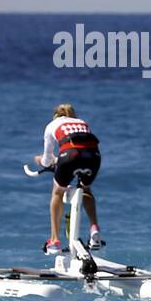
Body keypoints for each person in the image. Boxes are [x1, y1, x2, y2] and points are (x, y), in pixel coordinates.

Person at [34, 103, 103, 254]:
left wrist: (39, 160)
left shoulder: (52, 125)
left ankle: (54, 241)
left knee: (57, 192)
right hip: (93, 157)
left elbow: (47, 160)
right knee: (85, 188)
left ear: (55, 115)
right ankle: (94, 231)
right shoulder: (82, 122)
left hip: (69, 156)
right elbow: (82, 146)